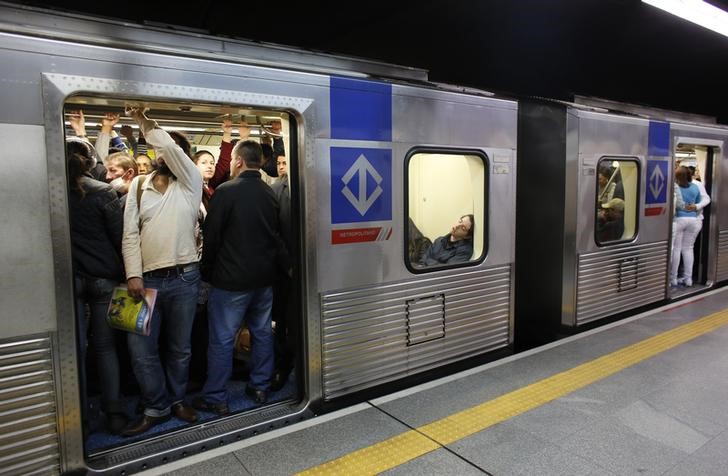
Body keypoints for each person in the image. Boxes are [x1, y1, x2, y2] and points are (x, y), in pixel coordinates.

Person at [120, 108, 202, 436]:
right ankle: (157, 405)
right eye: (162, 150)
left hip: (185, 277)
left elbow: (171, 149)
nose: (165, 155)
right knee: (141, 350)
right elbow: (130, 234)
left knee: (180, 347)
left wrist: (145, 123)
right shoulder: (139, 186)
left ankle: (178, 398)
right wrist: (133, 275)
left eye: (174, 151)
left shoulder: (190, 184)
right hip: (147, 280)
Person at [194, 140, 288, 414]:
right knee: (261, 333)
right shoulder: (269, 192)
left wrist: (208, 271)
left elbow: (211, 239)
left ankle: (215, 397)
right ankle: (260, 386)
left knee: (222, 339)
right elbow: (276, 235)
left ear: (237, 161)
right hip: (263, 280)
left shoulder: (225, 192)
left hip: (230, 282)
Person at [66, 137, 128, 434]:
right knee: (105, 348)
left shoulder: (52, 190)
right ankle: (114, 412)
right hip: (104, 279)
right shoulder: (103, 192)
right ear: (91, 162)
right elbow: (120, 238)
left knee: (76, 349)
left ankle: (81, 419)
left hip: (69, 280)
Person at [270, 154, 294, 390]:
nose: (282, 166)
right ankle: (283, 367)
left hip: (315, 266)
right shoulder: (276, 189)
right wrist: (288, 264)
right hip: (284, 269)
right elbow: (272, 231)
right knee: (283, 322)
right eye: (280, 163)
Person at [671, 166, 704, 287]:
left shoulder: (675, 187)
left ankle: (673, 278)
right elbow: (698, 202)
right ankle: (688, 279)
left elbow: (677, 204)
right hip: (694, 220)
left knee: (676, 249)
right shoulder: (695, 187)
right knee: (688, 249)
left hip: (679, 219)